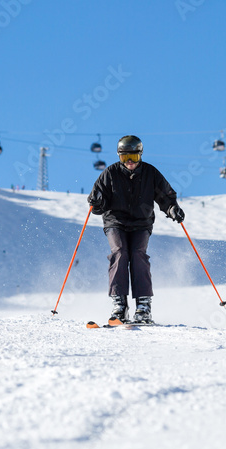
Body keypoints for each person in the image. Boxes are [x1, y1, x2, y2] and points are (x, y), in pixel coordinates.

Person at [87, 135, 185, 324]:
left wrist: (172, 208)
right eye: (125, 158)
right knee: (120, 252)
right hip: (115, 221)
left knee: (138, 254)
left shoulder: (150, 173)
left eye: (134, 157)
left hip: (141, 223)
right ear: (119, 157)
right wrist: (96, 200)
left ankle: (143, 307)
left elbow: (165, 195)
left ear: (140, 155)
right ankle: (119, 306)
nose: (130, 162)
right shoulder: (110, 173)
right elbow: (97, 205)